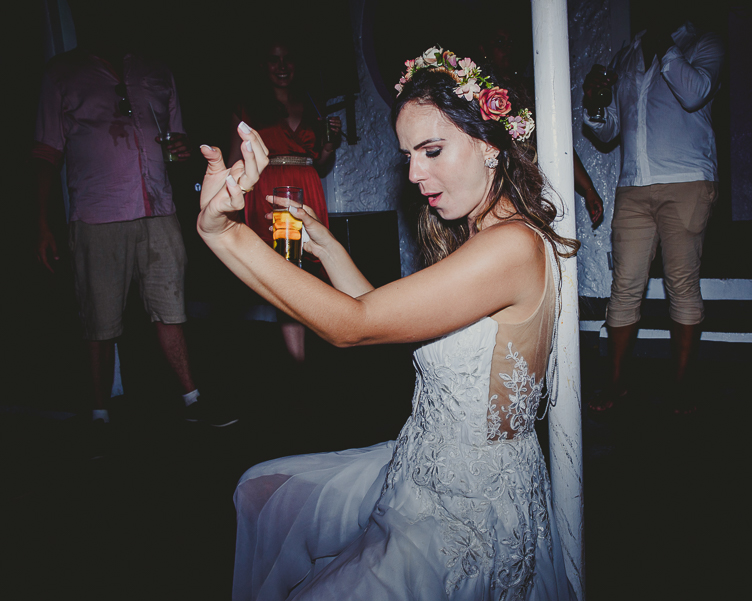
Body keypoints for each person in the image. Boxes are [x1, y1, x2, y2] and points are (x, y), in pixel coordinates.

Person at [198, 46, 576, 600]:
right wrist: (326, 246)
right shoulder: (482, 236)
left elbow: (354, 325)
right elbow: (381, 314)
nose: (415, 174)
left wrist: (226, 234)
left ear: (490, 144)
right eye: (408, 156)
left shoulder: (511, 247)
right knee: (261, 491)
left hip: (465, 503)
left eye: (432, 150)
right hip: (415, 463)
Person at [33, 22, 234, 428]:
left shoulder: (157, 70)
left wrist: (182, 150)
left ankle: (193, 400)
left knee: (171, 310)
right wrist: (40, 223)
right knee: (99, 320)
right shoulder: (62, 73)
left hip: (159, 210)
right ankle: (99, 415)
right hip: (97, 215)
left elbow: (177, 141)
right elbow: (44, 155)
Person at [582, 3, 724, 414]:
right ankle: (616, 384)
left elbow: (695, 93)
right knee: (624, 286)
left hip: (687, 180)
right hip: (633, 185)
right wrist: (595, 100)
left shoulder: (704, 43)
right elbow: (608, 130)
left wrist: (666, 44)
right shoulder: (627, 54)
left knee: (682, 284)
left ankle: (681, 387)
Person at [227, 38, 341, 366]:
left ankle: (310, 356)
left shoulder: (311, 104)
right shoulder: (247, 107)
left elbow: (320, 161)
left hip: (307, 189)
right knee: (283, 273)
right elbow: (235, 163)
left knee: (310, 269)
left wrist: (329, 144)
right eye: (273, 59)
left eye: (287, 59)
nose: (281, 67)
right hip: (271, 192)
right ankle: (297, 360)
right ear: (263, 66)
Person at [478, 18, 605, 226]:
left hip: (527, 192)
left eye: (511, 43)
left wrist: (588, 188)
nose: (507, 48)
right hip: (488, 190)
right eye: (500, 42)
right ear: (484, 48)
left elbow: (559, 144)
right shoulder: (473, 92)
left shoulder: (531, 91)